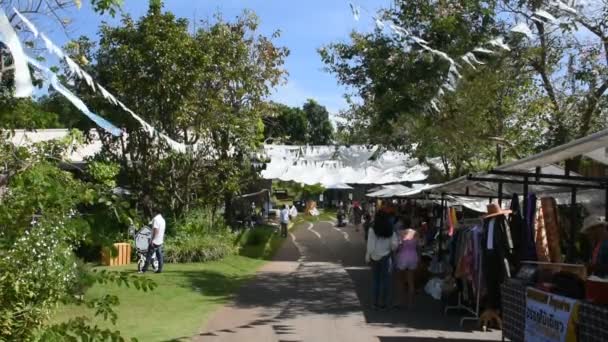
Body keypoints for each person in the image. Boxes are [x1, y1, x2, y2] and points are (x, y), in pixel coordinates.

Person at [366, 209, 399, 310]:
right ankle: (383, 303)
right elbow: (394, 246)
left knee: (376, 280)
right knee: (386, 281)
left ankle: (375, 303)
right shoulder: (390, 230)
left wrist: (368, 256)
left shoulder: (372, 229)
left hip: (374, 257)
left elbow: (370, 245)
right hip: (386, 256)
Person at [394, 217, 419, 309]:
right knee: (411, 281)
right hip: (413, 256)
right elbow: (418, 246)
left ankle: (399, 302)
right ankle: (410, 303)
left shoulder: (400, 233)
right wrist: (418, 257)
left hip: (402, 257)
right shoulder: (415, 233)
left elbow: (398, 246)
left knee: (400, 281)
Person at [142, 208, 166, 274]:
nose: (152, 213)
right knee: (159, 255)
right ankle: (160, 269)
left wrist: (152, 240)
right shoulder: (163, 220)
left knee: (149, 255)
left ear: (156, 212)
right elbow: (162, 231)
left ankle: (144, 269)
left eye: (153, 212)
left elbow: (156, 230)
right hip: (160, 240)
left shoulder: (156, 219)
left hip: (155, 240)